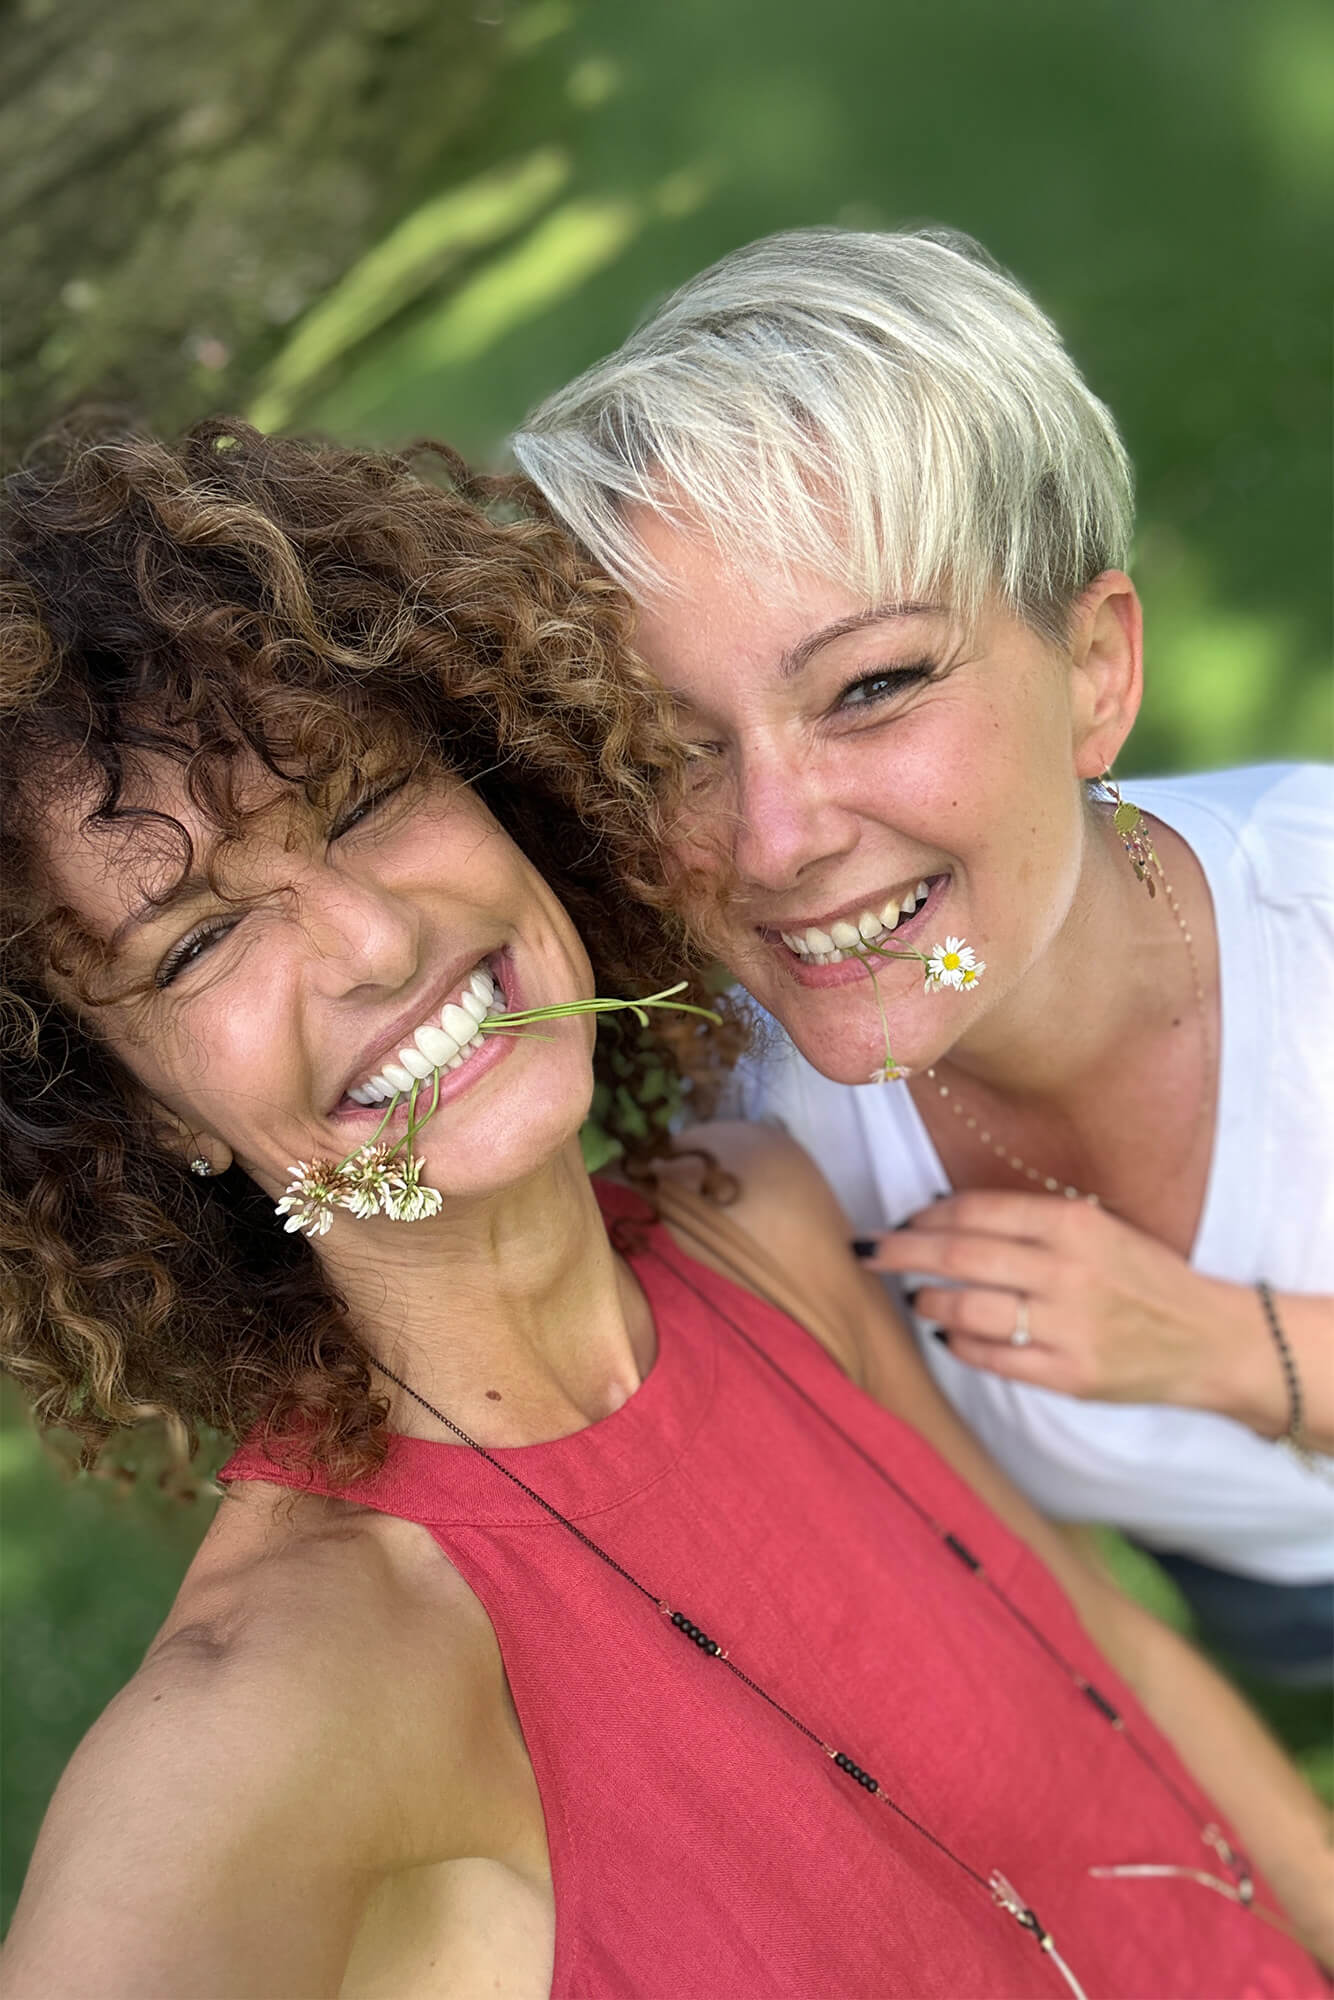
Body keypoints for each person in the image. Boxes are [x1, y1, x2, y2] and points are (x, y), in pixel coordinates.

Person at [0, 423, 1328, 2000]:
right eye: (199, 941)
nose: (372, 942)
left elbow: (1107, 1653)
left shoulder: (756, 1217)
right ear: (133, 1106)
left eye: (364, 802)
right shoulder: (314, 1669)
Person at [512, 225, 1334, 1689]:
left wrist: (1220, 1346)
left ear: (1094, 668)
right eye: (671, 750)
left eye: (871, 686)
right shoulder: (746, 1133)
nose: (772, 842)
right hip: (1267, 1598)